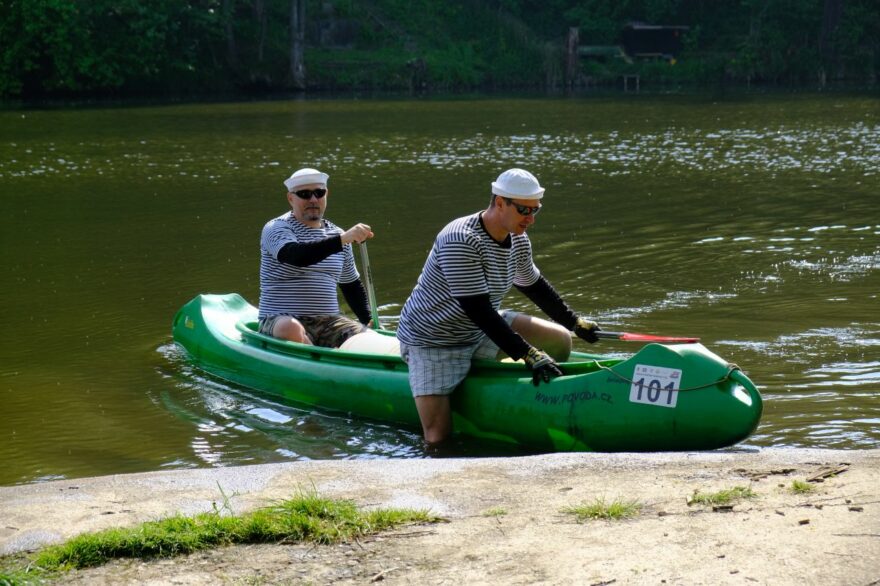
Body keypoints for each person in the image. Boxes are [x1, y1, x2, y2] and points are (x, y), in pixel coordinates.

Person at [396, 168, 602, 444]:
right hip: (435, 339)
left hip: (480, 328)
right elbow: (477, 308)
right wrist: (526, 353)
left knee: (560, 339)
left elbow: (533, 286)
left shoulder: (517, 238)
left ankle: (540, 402)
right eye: (523, 211)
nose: (530, 219)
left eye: (535, 211)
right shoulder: (461, 238)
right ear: (500, 202)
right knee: (438, 437)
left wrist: (574, 322)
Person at [258, 167, 374, 348]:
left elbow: (350, 284)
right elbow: (296, 256)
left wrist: (368, 320)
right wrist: (343, 239)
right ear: (291, 198)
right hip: (279, 319)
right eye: (304, 194)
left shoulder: (337, 234)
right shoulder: (276, 228)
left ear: (326, 194)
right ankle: (319, 361)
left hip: (329, 322)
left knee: (367, 337)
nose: (313, 199)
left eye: (319, 193)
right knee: (291, 328)